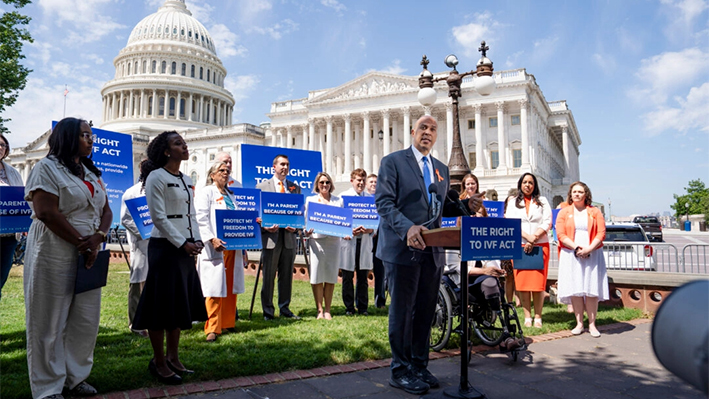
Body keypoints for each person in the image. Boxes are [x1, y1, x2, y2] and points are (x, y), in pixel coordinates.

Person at [375, 115, 483, 395]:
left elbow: (444, 205)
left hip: (433, 250)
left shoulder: (441, 169)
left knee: (425, 310)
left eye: (433, 129)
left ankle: (419, 366)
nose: (428, 132)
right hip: (401, 249)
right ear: (413, 132)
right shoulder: (393, 162)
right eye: (423, 127)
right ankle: (399, 370)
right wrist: (407, 227)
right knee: (403, 311)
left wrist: (466, 206)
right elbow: (384, 203)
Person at [23, 117, 112, 398]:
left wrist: (97, 237)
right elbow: (47, 212)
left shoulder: (91, 172)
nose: (91, 140)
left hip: (90, 248)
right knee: (48, 318)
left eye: (92, 135)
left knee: (85, 319)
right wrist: (82, 243)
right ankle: (48, 386)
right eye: (85, 135)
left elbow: (106, 210)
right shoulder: (45, 169)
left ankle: (75, 377)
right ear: (68, 137)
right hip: (54, 247)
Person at [131, 131, 207, 385]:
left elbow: (191, 214)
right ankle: (159, 361)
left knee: (178, 303)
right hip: (165, 247)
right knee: (160, 305)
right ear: (166, 151)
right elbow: (158, 217)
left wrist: (196, 240)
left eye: (184, 143)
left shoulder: (186, 179)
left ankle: (174, 357)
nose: (184, 146)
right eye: (178, 144)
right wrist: (182, 243)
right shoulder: (156, 177)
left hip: (185, 248)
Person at [195, 161, 245, 342]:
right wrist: (211, 239)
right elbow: (201, 218)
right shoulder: (206, 193)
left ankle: (227, 322)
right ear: (212, 175)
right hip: (214, 247)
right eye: (221, 171)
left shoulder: (231, 195)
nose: (225, 173)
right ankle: (212, 328)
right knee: (213, 287)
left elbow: (237, 220)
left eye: (228, 171)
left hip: (232, 249)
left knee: (230, 286)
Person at [556, 181, 609, 338]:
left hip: (592, 254)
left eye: (580, 191)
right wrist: (576, 248)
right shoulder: (564, 212)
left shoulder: (595, 212)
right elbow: (560, 234)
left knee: (591, 289)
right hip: (571, 253)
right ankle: (579, 323)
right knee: (576, 288)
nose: (577, 194)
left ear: (586, 194)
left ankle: (592, 324)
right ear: (570, 194)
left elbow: (601, 233)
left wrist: (589, 248)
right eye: (574, 192)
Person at [256, 154, 302, 320]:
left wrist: (295, 226)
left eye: (287, 165)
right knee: (268, 276)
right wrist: (265, 225)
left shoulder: (294, 188)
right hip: (271, 238)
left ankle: (285, 308)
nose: (285, 167)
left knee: (287, 276)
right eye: (282, 164)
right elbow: (256, 214)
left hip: (288, 238)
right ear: (273, 167)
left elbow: (299, 214)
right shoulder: (261, 187)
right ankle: (268, 311)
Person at [504, 173, 551, 328]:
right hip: (520, 245)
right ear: (520, 184)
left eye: (530, 182)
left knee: (538, 284)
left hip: (540, 245)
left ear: (534, 185)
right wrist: (527, 238)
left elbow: (547, 222)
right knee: (523, 283)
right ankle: (527, 316)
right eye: (525, 182)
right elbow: (511, 223)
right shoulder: (513, 202)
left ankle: (538, 316)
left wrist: (535, 237)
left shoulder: (542, 201)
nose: (528, 185)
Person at [304, 172, 342, 320]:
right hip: (317, 242)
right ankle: (319, 309)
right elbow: (306, 222)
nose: (324, 185)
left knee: (331, 275)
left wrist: (346, 231)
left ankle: (328, 310)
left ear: (331, 184)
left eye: (327, 182)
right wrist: (307, 231)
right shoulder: (310, 200)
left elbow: (342, 221)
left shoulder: (338, 201)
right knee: (317, 275)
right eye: (321, 183)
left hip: (333, 242)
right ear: (317, 185)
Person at [120, 161, 150, 337]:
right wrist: (144, 232)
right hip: (141, 244)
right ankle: (136, 324)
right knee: (138, 284)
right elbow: (125, 218)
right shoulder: (132, 193)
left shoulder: (158, 191)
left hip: (159, 244)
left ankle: (154, 320)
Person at [339, 169, 374, 315]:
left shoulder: (370, 199)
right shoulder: (343, 198)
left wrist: (370, 230)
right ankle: (349, 307)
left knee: (363, 276)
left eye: (362, 180)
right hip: (349, 241)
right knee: (347, 276)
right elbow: (338, 221)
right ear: (352, 181)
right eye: (358, 180)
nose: (360, 183)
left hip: (364, 241)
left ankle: (363, 307)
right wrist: (349, 231)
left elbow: (375, 222)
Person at [0, 133, 24, 299]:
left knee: (1, 277)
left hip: (8, 236)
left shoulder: (13, 173)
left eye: (3, 145)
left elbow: (20, 199)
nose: (0, 148)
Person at [367, 174, 387, 308]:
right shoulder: (362, 200)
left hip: (380, 240)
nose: (374, 184)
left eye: (376, 182)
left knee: (381, 271)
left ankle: (380, 300)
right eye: (371, 182)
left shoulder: (382, 200)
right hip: (364, 239)